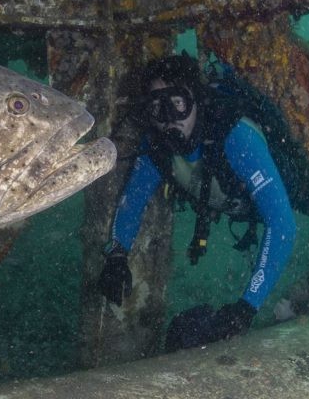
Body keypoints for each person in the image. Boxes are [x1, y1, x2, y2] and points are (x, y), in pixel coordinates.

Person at [97, 53, 297, 351]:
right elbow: (132, 201)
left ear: (197, 100)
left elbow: (282, 224)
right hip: (231, 202)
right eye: (156, 107)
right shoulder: (157, 147)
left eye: (177, 104)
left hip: (290, 188)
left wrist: (247, 306)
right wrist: (116, 255)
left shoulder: (236, 137)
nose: (167, 120)